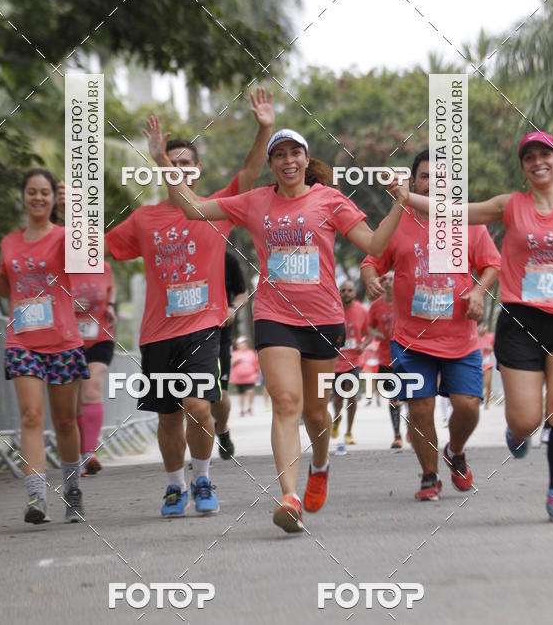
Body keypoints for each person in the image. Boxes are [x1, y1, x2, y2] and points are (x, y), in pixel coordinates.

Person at [148, 123, 409, 533]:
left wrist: (401, 202)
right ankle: (288, 497)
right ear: (271, 164)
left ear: (306, 160)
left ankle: (319, 466)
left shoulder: (329, 200)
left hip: (324, 320)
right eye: (280, 154)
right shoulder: (255, 202)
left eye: (295, 153)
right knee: (286, 403)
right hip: (275, 316)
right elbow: (194, 208)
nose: (288, 160)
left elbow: (375, 246)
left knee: (316, 411)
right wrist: (162, 160)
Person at [103, 88, 274, 519]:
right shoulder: (143, 220)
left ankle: (202, 477)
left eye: (184, 164)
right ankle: (175, 486)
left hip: (203, 328)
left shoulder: (213, 209)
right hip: (158, 334)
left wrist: (265, 128)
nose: (177, 169)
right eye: (170, 163)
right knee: (167, 418)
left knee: (198, 405)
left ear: (196, 170)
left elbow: (251, 173)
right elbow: (97, 248)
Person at [408, 132, 553, 521]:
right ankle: (517, 432)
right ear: (524, 168)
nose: (538, 162)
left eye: (545, 154)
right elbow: (454, 213)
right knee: (526, 419)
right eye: (529, 157)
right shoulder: (510, 205)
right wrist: (404, 197)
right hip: (521, 321)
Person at [362, 149, 501, 501]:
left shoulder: (466, 220)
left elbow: (491, 265)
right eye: (426, 176)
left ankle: (455, 451)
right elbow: (371, 258)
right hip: (410, 338)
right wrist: (369, 279)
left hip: (460, 336)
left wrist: (479, 293)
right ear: (413, 182)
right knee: (420, 407)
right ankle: (428, 476)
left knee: (468, 405)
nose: (434, 183)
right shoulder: (398, 219)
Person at [0, 168, 88, 525]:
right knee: (31, 416)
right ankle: (36, 496)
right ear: (23, 196)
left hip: (64, 340)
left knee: (65, 421)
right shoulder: (9, 243)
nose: (38, 198)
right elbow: (10, 288)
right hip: (23, 342)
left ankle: (72, 489)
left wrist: (75, 213)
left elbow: (85, 257)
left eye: (45, 193)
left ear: (53, 199)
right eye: (32, 192)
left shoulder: (66, 236)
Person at [70, 262, 117, 476]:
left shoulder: (104, 268)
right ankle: (80, 456)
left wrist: (111, 306)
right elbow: (44, 298)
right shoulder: (57, 267)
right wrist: (67, 304)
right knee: (76, 402)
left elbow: (110, 288)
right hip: (67, 340)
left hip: (100, 337)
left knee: (92, 389)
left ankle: (89, 453)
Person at [214, 252, 248, 459]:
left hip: (221, 335)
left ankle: (223, 428)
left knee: (219, 396)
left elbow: (242, 293)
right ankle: (199, 461)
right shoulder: (182, 256)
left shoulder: (228, 259)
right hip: (188, 335)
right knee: (194, 399)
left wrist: (233, 308)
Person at [330, 280, 370, 448]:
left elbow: (370, 333)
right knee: (338, 397)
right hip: (335, 361)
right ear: (339, 293)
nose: (346, 293)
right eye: (343, 290)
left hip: (354, 361)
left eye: (349, 290)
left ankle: (349, 432)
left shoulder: (362, 310)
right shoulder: (332, 309)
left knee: (351, 395)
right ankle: (337, 417)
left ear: (354, 293)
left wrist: (363, 344)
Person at [367, 272, 403, 448]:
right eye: (384, 280)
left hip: (406, 355)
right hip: (385, 357)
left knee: (412, 397)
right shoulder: (375, 306)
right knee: (394, 397)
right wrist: (376, 335)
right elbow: (370, 326)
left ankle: (411, 430)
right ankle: (397, 435)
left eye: (390, 279)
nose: (387, 282)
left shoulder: (404, 301)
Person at [230, 336, 260, 416]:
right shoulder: (234, 353)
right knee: (241, 394)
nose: (243, 345)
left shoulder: (251, 353)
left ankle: (249, 407)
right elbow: (230, 365)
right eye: (241, 344)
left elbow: (256, 364)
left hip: (250, 377)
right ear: (238, 345)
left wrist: (257, 374)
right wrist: (236, 361)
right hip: (238, 378)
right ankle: (242, 409)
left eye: (245, 344)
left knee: (251, 391)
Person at [478, 321, 495, 410]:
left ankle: (486, 402)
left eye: (485, 327)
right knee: (481, 381)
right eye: (481, 326)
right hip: (477, 363)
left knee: (488, 382)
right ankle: (479, 395)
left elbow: (494, 347)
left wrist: (488, 347)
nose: (483, 328)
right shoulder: (475, 337)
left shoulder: (491, 336)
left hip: (487, 362)